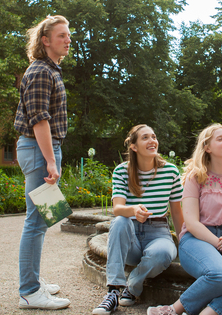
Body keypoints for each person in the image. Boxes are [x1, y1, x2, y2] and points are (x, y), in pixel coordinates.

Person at [147, 124, 222, 315]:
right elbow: (192, 223)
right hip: (196, 239)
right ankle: (171, 310)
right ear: (207, 148)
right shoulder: (196, 178)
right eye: (220, 138)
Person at [93, 125, 184, 315]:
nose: (152, 141)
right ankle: (112, 292)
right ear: (133, 146)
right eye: (145, 138)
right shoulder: (121, 171)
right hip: (130, 235)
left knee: (163, 253)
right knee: (119, 221)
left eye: (154, 136)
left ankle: (132, 286)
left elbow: (176, 212)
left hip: (158, 232)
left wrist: (185, 243)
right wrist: (133, 210)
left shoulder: (170, 172)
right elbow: (117, 208)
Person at [15, 15, 72, 310]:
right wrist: (51, 160)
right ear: (45, 40)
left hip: (43, 150)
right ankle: (29, 291)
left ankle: (33, 280)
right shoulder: (40, 71)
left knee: (40, 221)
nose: (68, 39)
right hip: (40, 151)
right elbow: (39, 120)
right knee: (35, 223)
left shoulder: (51, 70)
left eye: (68, 35)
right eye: (61, 35)